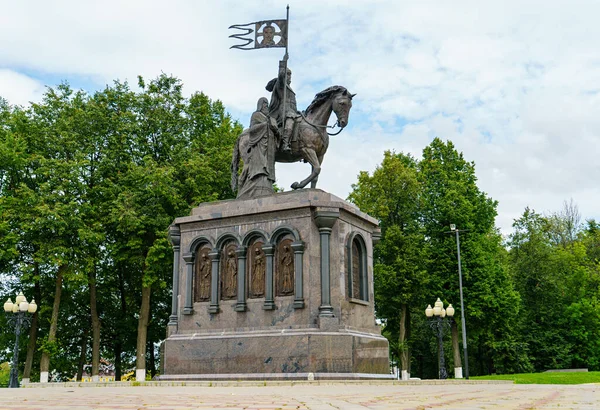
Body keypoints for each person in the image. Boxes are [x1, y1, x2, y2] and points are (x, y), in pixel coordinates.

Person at [265, 57, 300, 153]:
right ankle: (285, 143)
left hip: (292, 110)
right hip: (284, 110)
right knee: (290, 121)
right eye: (288, 75)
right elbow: (280, 76)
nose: (290, 77)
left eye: (290, 75)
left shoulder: (289, 88)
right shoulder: (280, 85)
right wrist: (283, 64)